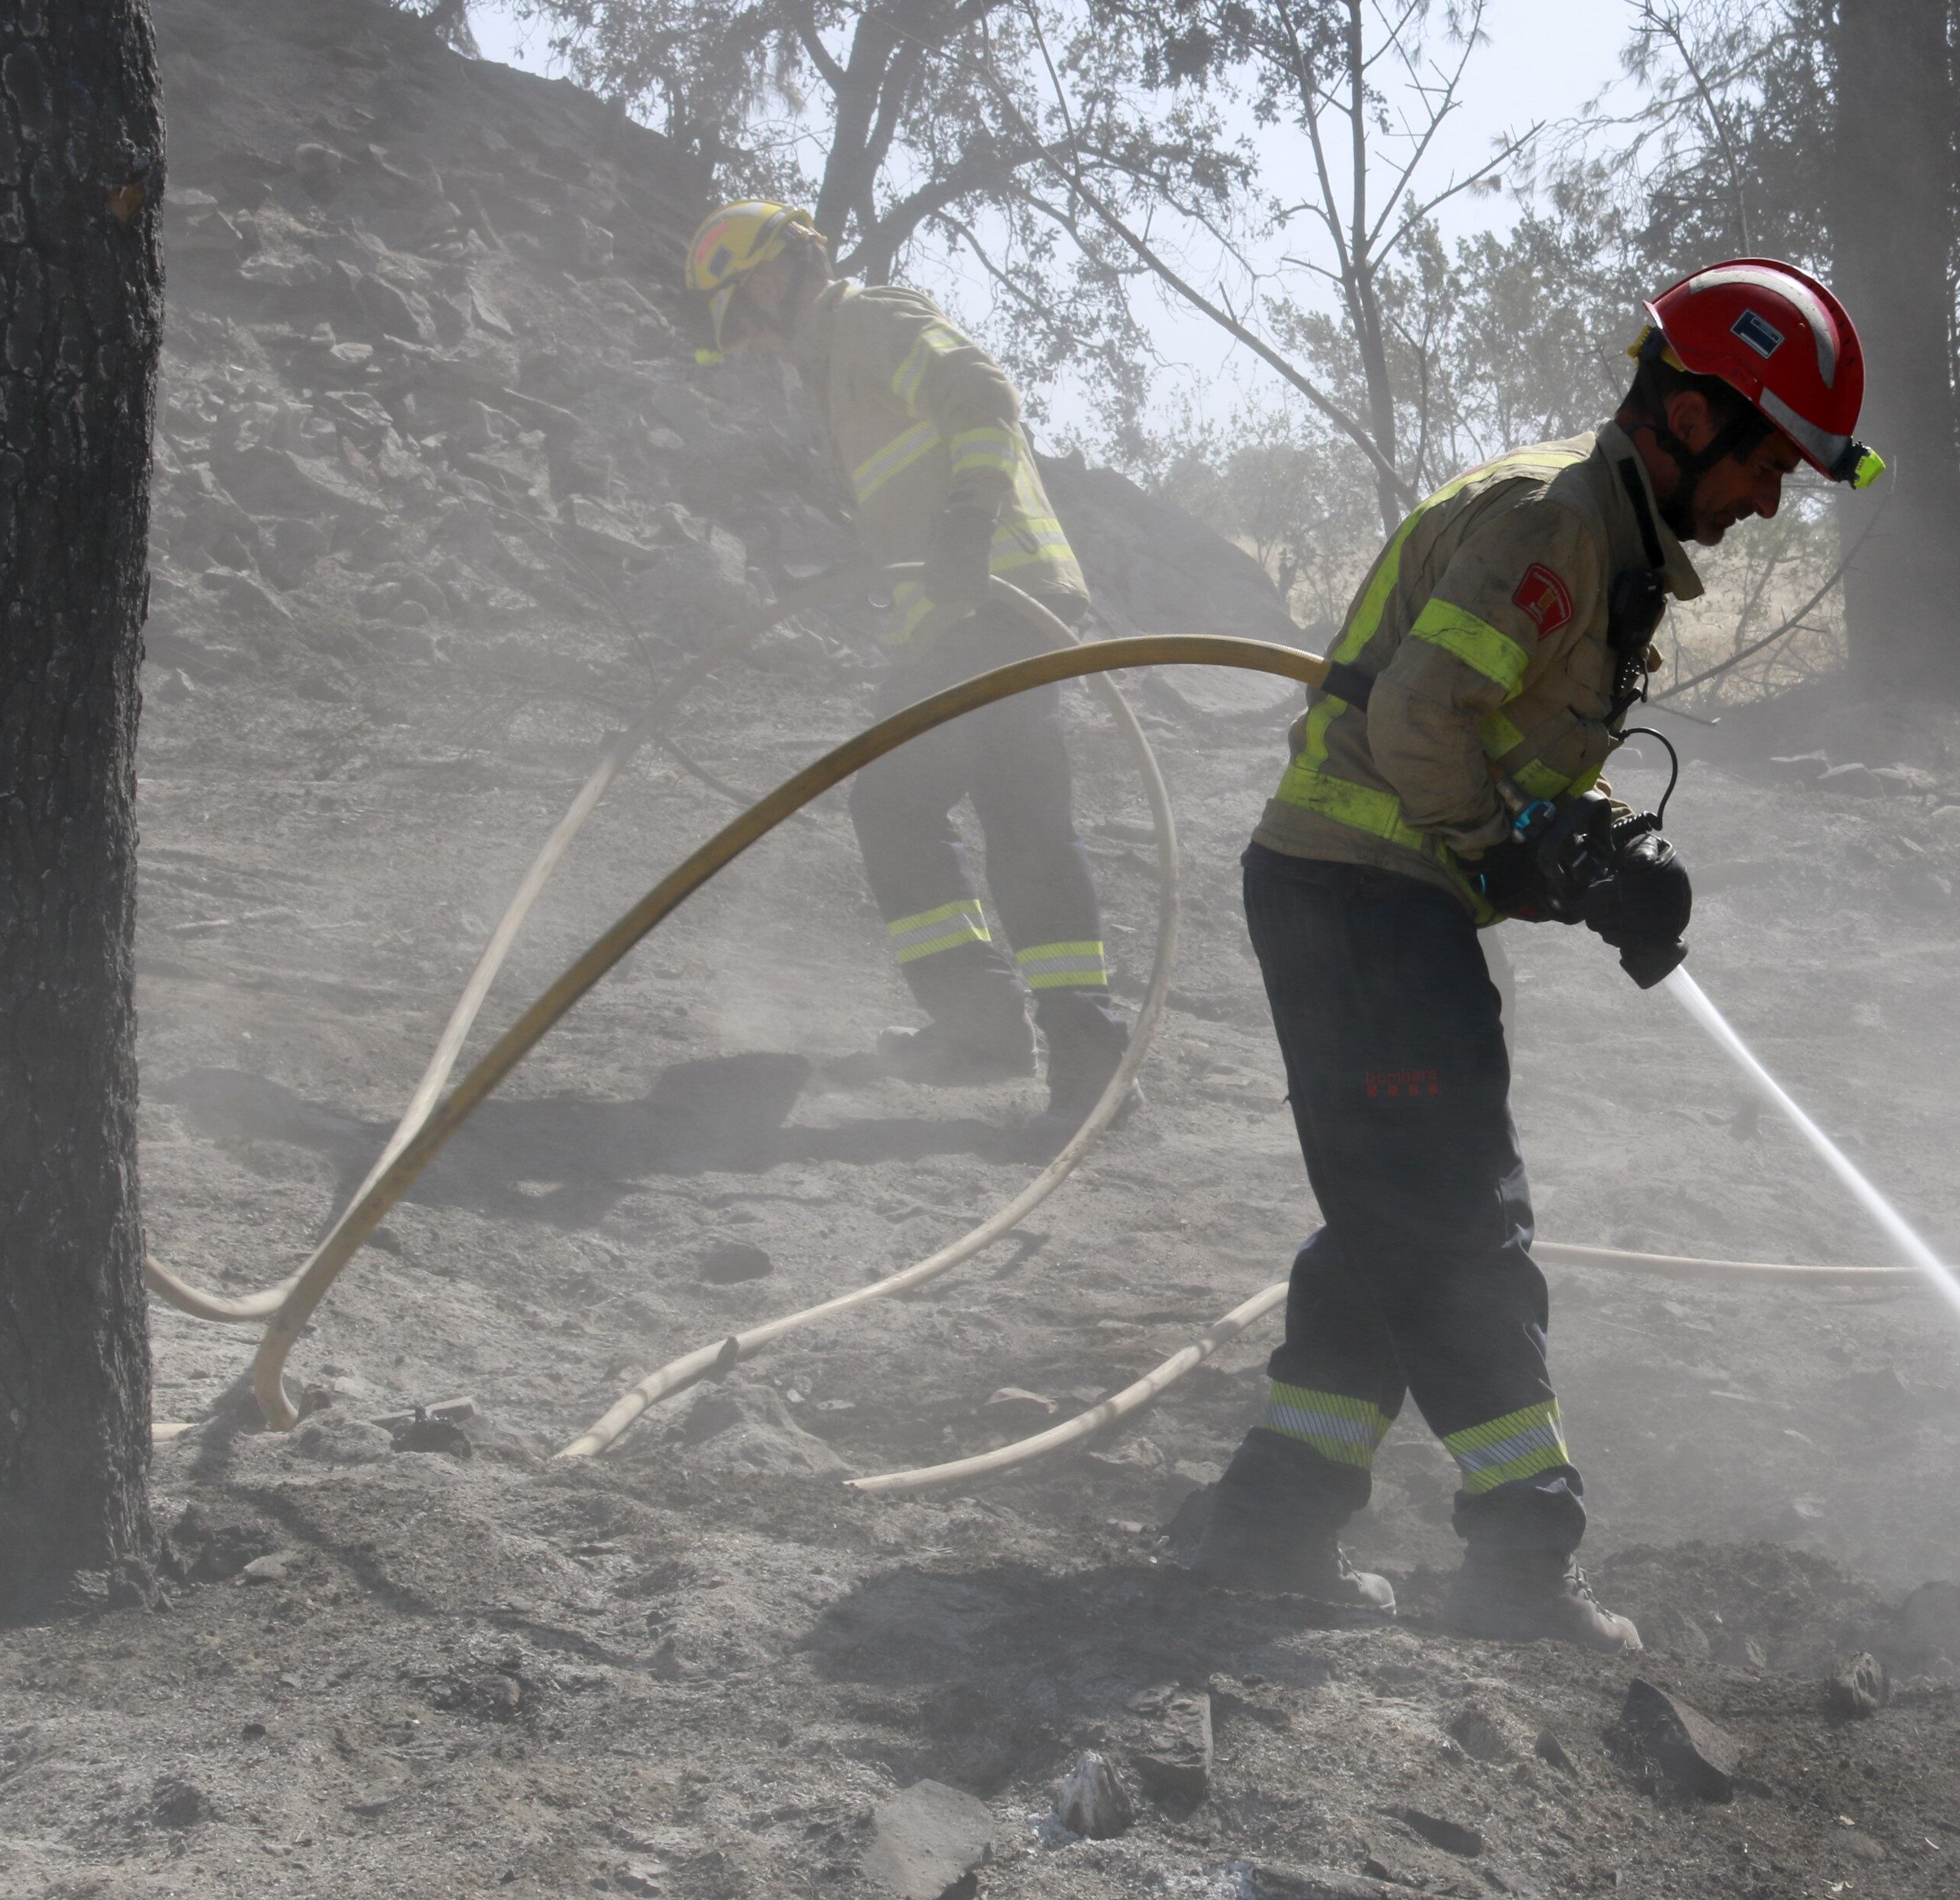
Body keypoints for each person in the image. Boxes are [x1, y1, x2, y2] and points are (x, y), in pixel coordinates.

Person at [1184, 261, 1883, 1649]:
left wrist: (1601, 844)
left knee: (1394, 1207)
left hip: (1383, 895)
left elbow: (1498, 732)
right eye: (1765, 463)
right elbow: (1419, 729)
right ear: (1691, 418)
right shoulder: (1557, 521)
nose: (1765, 504)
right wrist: (1515, 847)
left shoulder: (1600, 532)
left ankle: (1269, 1517)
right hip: (1363, 893)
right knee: (1455, 1217)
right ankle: (1519, 1554)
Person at [683, 201, 1129, 1138]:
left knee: (914, 804)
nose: (749, 346)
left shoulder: (869, 321)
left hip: (996, 606)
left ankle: (1000, 1030)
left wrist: (969, 518)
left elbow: (983, 391)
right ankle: (1054, 1048)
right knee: (1010, 815)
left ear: (769, 278)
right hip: (966, 619)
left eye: (740, 319)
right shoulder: (837, 379)